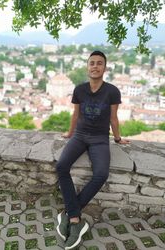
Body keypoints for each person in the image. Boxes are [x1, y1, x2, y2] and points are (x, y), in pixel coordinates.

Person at [56, 50, 130, 250]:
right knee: (62, 166)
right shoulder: (79, 89)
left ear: (104, 68)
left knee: (101, 174)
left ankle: (71, 213)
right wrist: (70, 133)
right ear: (87, 67)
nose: (95, 66)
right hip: (80, 135)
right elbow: (75, 114)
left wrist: (117, 138)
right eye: (92, 63)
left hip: (99, 139)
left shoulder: (112, 91)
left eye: (99, 63)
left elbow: (114, 118)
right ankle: (74, 218)